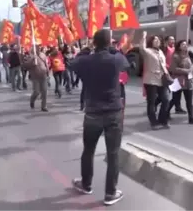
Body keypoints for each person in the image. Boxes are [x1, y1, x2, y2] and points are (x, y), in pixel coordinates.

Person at [70, 29, 129, 206]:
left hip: (93, 113)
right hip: (113, 112)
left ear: (94, 43)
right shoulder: (116, 59)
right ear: (110, 42)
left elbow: (72, 63)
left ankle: (86, 184)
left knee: (88, 150)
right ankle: (110, 193)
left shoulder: (86, 60)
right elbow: (126, 63)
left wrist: (86, 50)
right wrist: (111, 49)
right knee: (113, 154)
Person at [139, 32, 170, 130]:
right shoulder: (148, 51)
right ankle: (153, 122)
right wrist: (143, 37)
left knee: (166, 99)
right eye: (155, 39)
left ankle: (163, 119)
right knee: (151, 102)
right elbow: (141, 48)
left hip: (162, 79)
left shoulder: (160, 51)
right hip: (151, 80)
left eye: (158, 39)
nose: (157, 41)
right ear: (151, 42)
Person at [168, 40, 193, 125]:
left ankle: (191, 118)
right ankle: (166, 112)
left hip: (188, 81)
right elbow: (173, 69)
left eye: (186, 44)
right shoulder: (175, 56)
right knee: (175, 99)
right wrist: (187, 71)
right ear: (179, 46)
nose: (185, 46)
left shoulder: (187, 55)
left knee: (189, 101)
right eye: (183, 44)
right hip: (177, 81)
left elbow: (190, 65)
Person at [25, 45, 49, 112]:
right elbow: (26, 65)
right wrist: (32, 60)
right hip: (35, 77)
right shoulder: (30, 56)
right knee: (37, 92)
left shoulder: (43, 55)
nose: (38, 49)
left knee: (44, 91)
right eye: (36, 47)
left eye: (39, 47)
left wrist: (47, 72)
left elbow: (46, 64)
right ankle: (32, 100)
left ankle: (44, 106)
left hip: (43, 76)